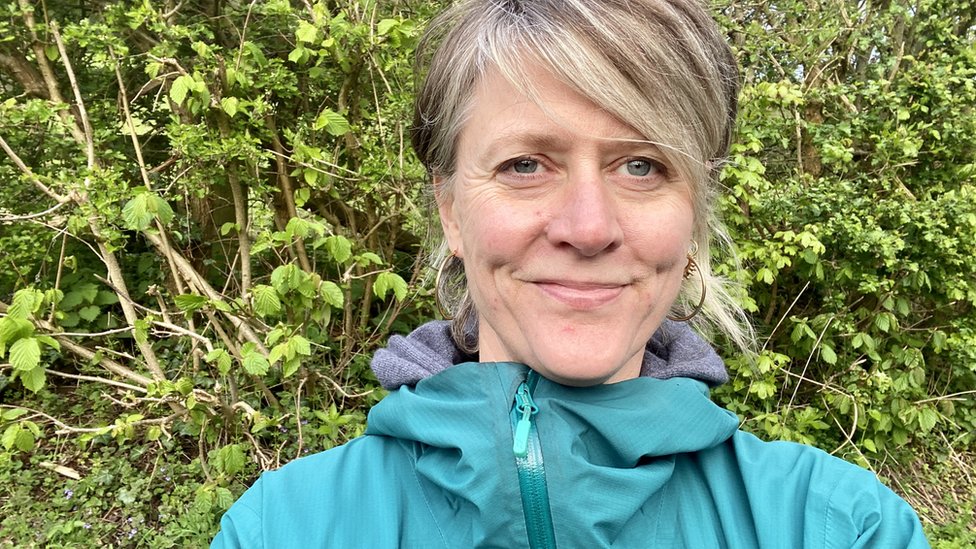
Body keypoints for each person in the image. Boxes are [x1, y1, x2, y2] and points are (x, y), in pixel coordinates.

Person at [212, 0, 929, 546]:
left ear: (693, 216)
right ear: (451, 211)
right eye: (525, 164)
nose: (588, 227)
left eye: (642, 165)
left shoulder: (836, 526)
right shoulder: (282, 529)